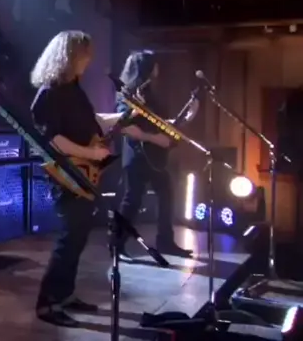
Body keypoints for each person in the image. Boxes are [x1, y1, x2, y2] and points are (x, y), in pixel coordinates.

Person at [29, 31, 148, 327]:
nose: (89, 60)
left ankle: (65, 295)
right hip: (66, 175)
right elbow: (53, 140)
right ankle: (47, 303)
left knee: (78, 237)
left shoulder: (74, 88)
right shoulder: (50, 93)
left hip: (84, 173)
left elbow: (94, 121)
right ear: (69, 56)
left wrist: (127, 115)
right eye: (85, 54)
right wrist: (91, 153)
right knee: (69, 238)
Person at [114, 50, 198, 260]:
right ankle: (117, 243)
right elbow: (124, 125)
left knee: (165, 194)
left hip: (153, 156)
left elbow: (158, 123)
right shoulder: (128, 93)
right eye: (155, 64)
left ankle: (165, 242)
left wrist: (188, 117)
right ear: (147, 68)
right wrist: (154, 139)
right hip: (137, 154)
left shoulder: (148, 92)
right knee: (133, 199)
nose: (158, 68)